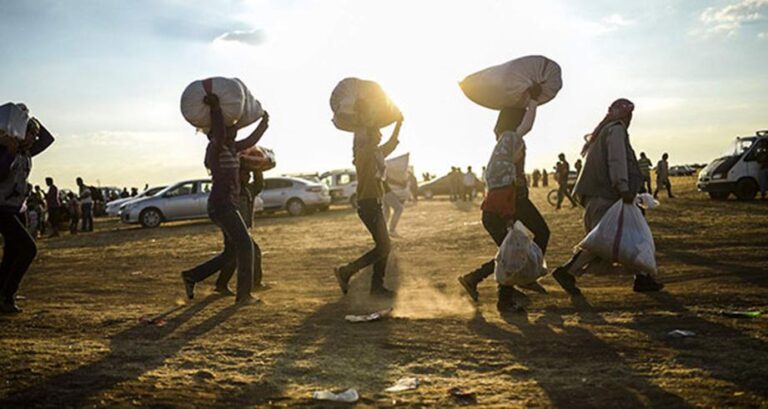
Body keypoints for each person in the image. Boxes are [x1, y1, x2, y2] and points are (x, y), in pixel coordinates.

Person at [552, 98, 664, 295]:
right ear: (626, 115)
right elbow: (616, 159)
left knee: (616, 237)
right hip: (607, 195)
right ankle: (567, 272)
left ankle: (642, 277)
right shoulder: (616, 130)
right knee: (605, 240)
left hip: (601, 195)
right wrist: (623, 187)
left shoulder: (604, 131)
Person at [458, 87, 550, 312]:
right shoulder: (509, 139)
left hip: (501, 205)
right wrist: (534, 101)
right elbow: (526, 126)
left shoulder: (501, 145)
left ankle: (477, 279)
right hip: (507, 204)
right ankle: (511, 290)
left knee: (511, 251)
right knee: (519, 248)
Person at [181, 91, 269, 305]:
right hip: (222, 206)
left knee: (232, 251)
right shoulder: (215, 147)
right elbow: (221, 133)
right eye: (230, 129)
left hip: (227, 205)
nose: (233, 131)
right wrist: (216, 108)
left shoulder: (231, 147)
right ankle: (244, 295)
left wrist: (264, 124)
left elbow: (250, 140)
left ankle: (193, 275)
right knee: (246, 245)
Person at [334, 112, 404, 299]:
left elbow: (392, 142)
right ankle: (347, 272)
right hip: (368, 204)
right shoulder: (363, 152)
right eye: (377, 133)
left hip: (375, 203)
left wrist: (399, 122)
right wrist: (363, 111)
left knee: (383, 246)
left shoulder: (377, 153)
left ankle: (376, 287)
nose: (380, 135)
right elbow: (360, 137)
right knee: (383, 246)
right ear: (369, 135)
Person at [0, 111, 55, 313]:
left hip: (16, 209)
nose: (35, 138)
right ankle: (8, 293)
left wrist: (26, 117)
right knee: (28, 249)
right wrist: (10, 149)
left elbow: (48, 139)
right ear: (22, 133)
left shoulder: (27, 153)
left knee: (12, 255)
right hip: (2, 209)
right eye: (31, 134)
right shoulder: (6, 150)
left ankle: (3, 297)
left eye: (34, 134)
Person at [215, 166, 266, 295]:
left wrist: (257, 169)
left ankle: (221, 284)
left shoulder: (248, 189)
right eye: (245, 173)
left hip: (241, 228)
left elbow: (259, 184)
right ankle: (254, 283)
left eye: (249, 174)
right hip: (233, 228)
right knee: (246, 253)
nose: (248, 176)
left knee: (233, 256)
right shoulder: (233, 191)